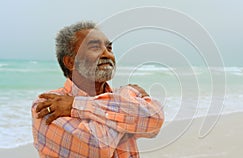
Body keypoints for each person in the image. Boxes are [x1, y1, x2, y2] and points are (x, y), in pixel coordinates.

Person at [31, 21, 164, 158]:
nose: (107, 54)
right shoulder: (48, 104)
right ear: (71, 62)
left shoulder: (116, 97)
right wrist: (127, 98)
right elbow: (99, 148)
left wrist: (76, 105)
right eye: (95, 48)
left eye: (109, 48)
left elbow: (155, 122)